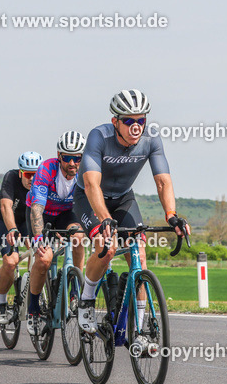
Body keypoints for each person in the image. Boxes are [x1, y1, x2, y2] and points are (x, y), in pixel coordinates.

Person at [74, 90, 190, 342]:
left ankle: (138, 328)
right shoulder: (99, 137)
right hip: (89, 198)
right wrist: (104, 218)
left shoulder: (151, 139)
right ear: (115, 121)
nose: (136, 126)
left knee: (139, 252)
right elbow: (92, 185)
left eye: (141, 120)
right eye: (128, 121)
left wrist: (172, 215)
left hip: (124, 198)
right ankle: (86, 300)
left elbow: (162, 181)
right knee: (107, 247)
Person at [24, 131, 87, 336]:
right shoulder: (46, 170)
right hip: (42, 213)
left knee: (78, 238)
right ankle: (33, 310)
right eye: (67, 157)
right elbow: (36, 209)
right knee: (43, 259)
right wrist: (40, 239)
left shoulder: (85, 173)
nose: (72, 162)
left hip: (66, 213)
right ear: (59, 155)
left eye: (76, 158)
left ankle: (75, 291)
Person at [0, 151, 41, 324]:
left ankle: (31, 294)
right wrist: (12, 228)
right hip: (6, 220)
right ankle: (1, 302)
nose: (32, 179)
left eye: (36, 175)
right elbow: (6, 207)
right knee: (11, 261)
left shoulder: (44, 182)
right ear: (21, 172)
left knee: (38, 253)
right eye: (28, 174)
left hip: (28, 221)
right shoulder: (11, 178)